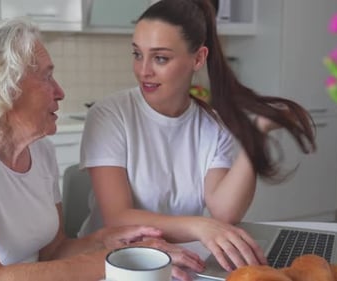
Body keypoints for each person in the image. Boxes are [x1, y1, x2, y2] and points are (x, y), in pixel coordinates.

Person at [0, 18, 207, 281]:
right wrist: (114, 262)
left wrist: (107, 240)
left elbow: (54, 251)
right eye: (47, 77)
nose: (60, 92)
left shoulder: (42, 152)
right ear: (5, 88)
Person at [78, 0, 316, 274]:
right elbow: (118, 217)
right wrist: (199, 226)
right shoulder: (109, 114)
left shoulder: (212, 125)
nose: (143, 70)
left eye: (160, 58)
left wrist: (257, 132)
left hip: (177, 261)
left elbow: (225, 212)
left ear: (198, 58)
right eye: (137, 54)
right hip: (114, 264)